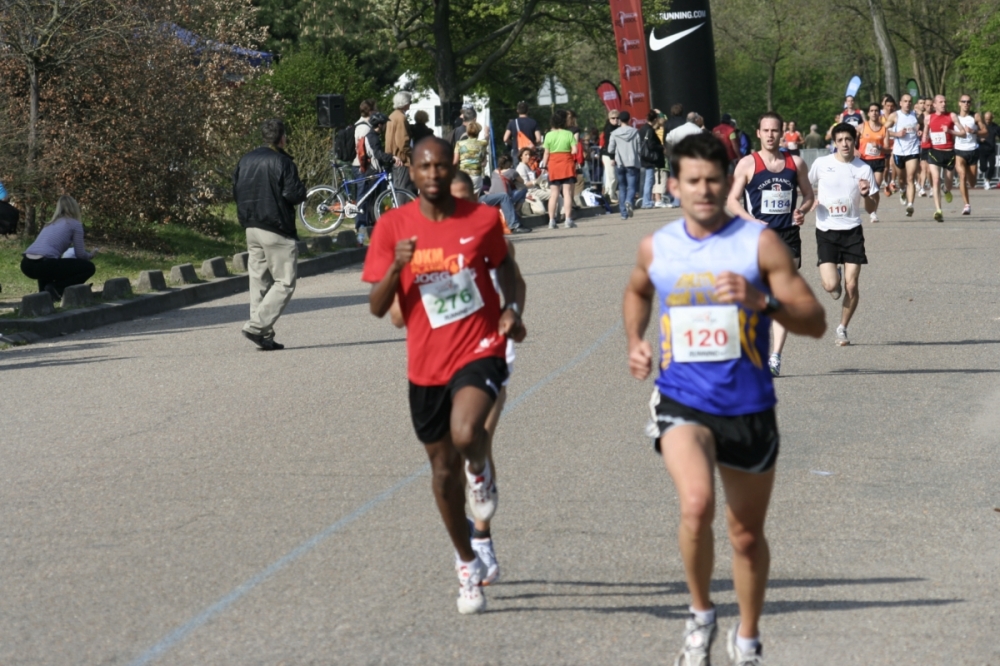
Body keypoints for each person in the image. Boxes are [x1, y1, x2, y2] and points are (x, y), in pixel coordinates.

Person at [623, 132, 826, 666]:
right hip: (682, 398)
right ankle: (700, 616)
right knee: (696, 506)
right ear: (674, 186)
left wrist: (763, 300)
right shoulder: (658, 246)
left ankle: (748, 638)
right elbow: (638, 289)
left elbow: (814, 321)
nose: (705, 190)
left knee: (745, 535)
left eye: (714, 179)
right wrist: (636, 340)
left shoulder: (759, 244)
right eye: (693, 181)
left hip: (749, 405)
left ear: (726, 182)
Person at [362, 136, 526, 614]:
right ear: (411, 172)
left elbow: (508, 271)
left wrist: (511, 309)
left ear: (451, 167)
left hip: (480, 347)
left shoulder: (481, 220)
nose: (432, 174)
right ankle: (466, 563)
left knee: (467, 432)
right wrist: (396, 266)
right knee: (440, 474)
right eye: (424, 166)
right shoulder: (393, 226)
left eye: (440, 166)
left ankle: (480, 471)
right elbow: (378, 308)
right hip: (426, 364)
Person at [727, 111, 815, 378]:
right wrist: (750, 220)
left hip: (788, 237)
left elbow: (809, 195)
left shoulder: (795, 163)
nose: (770, 135)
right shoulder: (747, 163)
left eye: (774, 130)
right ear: (758, 133)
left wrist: (802, 210)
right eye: (765, 130)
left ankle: (775, 356)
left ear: (782, 133)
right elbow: (732, 201)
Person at [232, 119, 307, 351]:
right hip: (276, 226)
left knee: (259, 282)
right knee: (285, 281)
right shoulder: (283, 161)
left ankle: (263, 334)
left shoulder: (245, 159)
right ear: (282, 137)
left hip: (251, 225)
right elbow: (294, 194)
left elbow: (235, 190)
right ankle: (257, 327)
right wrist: (303, 188)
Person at [808, 123, 877, 347]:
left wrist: (866, 194)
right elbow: (805, 185)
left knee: (852, 286)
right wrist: (810, 199)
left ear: (855, 141)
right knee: (831, 286)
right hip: (826, 230)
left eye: (848, 139)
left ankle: (842, 328)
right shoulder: (822, 164)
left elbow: (872, 207)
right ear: (834, 143)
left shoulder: (863, 169)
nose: (845, 144)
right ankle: (835, 278)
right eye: (840, 140)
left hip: (852, 231)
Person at [20, 195, 99, 301]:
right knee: (88, 268)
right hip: (45, 264)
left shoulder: (49, 223)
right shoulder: (75, 224)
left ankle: (45, 294)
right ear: (75, 208)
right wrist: (90, 255)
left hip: (26, 264)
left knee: (50, 266)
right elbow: (80, 254)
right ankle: (57, 288)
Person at [357, 112, 404, 244]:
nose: (385, 127)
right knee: (371, 203)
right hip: (373, 171)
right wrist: (392, 157)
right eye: (384, 124)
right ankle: (363, 235)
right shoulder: (373, 137)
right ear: (379, 124)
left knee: (374, 202)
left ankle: (372, 231)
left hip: (373, 170)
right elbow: (377, 154)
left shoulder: (373, 136)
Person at [926, 94, 967, 222]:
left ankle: (946, 189)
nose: (944, 104)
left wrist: (949, 131)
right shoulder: (928, 117)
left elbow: (963, 134)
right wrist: (923, 136)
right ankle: (938, 210)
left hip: (949, 153)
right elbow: (925, 135)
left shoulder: (952, 116)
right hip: (934, 152)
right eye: (941, 102)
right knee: (936, 179)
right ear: (934, 105)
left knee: (948, 184)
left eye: (945, 102)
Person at [540, 111, 578, 229]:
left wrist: (544, 166)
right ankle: (568, 220)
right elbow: (575, 150)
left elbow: (546, 153)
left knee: (554, 194)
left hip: (553, 165)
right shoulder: (569, 134)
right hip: (566, 164)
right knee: (567, 193)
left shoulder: (548, 135)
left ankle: (551, 221)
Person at [885, 93, 921, 217]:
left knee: (910, 178)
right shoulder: (895, 116)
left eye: (910, 101)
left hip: (913, 151)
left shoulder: (916, 115)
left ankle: (910, 205)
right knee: (901, 179)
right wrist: (896, 134)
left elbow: (923, 125)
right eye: (905, 101)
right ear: (900, 103)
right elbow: (883, 130)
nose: (908, 103)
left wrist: (920, 130)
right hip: (899, 152)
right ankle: (902, 190)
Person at [857, 102, 889, 223]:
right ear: (868, 113)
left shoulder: (884, 129)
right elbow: (850, 139)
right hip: (864, 161)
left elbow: (888, 148)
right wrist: (854, 150)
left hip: (878, 160)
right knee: (868, 187)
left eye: (876, 111)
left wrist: (880, 147)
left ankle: (873, 213)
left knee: (875, 187)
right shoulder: (861, 127)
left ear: (879, 113)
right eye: (872, 111)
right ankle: (870, 210)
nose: (874, 113)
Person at [954, 95, 985, 215]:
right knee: (962, 175)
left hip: (972, 150)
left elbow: (985, 132)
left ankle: (966, 178)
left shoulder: (975, 116)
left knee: (972, 183)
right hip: (959, 150)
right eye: (963, 101)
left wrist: (973, 131)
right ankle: (966, 205)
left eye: (968, 102)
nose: (966, 104)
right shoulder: (954, 117)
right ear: (959, 103)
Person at [607, 110, 641, 219]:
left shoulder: (614, 133)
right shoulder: (635, 132)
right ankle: (629, 201)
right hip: (632, 162)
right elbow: (639, 149)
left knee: (622, 187)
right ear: (629, 120)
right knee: (632, 186)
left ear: (620, 120)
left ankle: (623, 214)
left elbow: (610, 149)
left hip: (620, 162)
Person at [385, 91, 415, 193]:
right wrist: (412, 154)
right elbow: (402, 142)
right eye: (410, 101)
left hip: (393, 157)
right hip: (402, 159)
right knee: (404, 190)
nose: (410, 103)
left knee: (397, 189)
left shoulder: (392, 116)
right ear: (405, 103)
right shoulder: (401, 118)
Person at [454, 121, 489, 195]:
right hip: (476, 176)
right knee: (475, 199)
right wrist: (486, 132)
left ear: (467, 132)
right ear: (478, 133)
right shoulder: (482, 144)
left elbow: (455, 162)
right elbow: (487, 139)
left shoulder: (459, 144)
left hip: (463, 176)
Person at [640, 110, 666, 209]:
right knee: (649, 180)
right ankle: (646, 202)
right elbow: (651, 145)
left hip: (643, 156)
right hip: (650, 158)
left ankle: (646, 200)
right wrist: (661, 147)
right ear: (655, 119)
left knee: (646, 180)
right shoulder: (650, 130)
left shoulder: (642, 129)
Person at [600, 110, 621, 204]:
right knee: (612, 177)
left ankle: (609, 196)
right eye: (613, 118)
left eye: (617, 118)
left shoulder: (617, 128)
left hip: (613, 155)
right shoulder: (609, 129)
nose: (615, 120)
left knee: (613, 178)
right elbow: (609, 144)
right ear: (609, 119)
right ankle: (609, 196)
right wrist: (612, 158)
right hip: (608, 155)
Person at [980, 111, 998, 188]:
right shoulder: (981, 126)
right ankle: (983, 171)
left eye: (989, 119)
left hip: (992, 150)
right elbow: (975, 135)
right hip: (983, 149)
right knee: (983, 168)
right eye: (986, 119)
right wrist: (979, 139)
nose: (987, 121)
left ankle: (987, 181)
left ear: (992, 118)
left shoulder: (995, 127)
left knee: (992, 166)